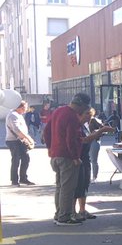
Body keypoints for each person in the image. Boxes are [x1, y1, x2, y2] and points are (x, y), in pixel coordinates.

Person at [44, 93, 92, 226]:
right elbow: (71, 139)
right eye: (84, 108)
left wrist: (50, 148)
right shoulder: (72, 117)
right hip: (67, 157)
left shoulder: (58, 111)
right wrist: (75, 157)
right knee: (68, 188)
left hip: (56, 154)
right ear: (80, 105)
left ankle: (59, 213)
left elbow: (46, 132)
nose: (84, 111)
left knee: (59, 186)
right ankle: (64, 217)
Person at [75, 108, 113, 220]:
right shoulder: (76, 125)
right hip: (79, 157)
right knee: (77, 186)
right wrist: (100, 132)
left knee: (84, 185)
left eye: (91, 115)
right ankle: (72, 211)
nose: (89, 117)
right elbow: (84, 140)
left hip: (85, 158)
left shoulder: (85, 125)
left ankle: (82, 210)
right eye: (87, 114)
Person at [6, 101, 35, 185]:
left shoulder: (18, 115)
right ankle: (14, 180)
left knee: (25, 158)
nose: (26, 110)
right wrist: (29, 138)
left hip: (20, 140)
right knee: (16, 160)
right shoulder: (13, 115)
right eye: (25, 108)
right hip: (13, 140)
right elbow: (17, 130)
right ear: (20, 108)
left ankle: (23, 178)